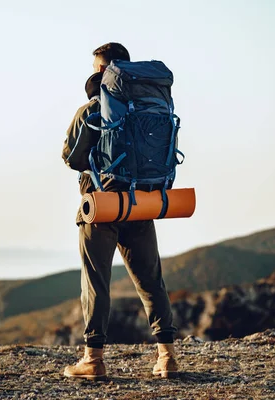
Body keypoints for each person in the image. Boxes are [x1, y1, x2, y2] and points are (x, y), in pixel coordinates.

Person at [61, 42, 179, 380]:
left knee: (96, 282)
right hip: (141, 200)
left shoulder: (93, 109)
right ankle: (167, 357)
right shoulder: (152, 105)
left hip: (102, 204)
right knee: (151, 280)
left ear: (103, 70)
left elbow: (72, 157)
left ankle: (93, 360)